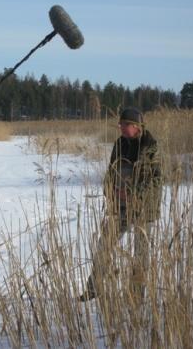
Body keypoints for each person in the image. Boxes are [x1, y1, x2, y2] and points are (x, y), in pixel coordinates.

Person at [79, 107, 162, 302]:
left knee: (140, 254)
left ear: (136, 126)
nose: (120, 127)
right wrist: (109, 190)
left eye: (124, 124)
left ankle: (135, 297)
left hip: (144, 208)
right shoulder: (119, 144)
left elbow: (155, 180)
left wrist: (132, 194)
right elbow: (112, 170)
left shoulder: (151, 147)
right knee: (104, 245)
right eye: (120, 124)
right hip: (120, 206)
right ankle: (93, 290)